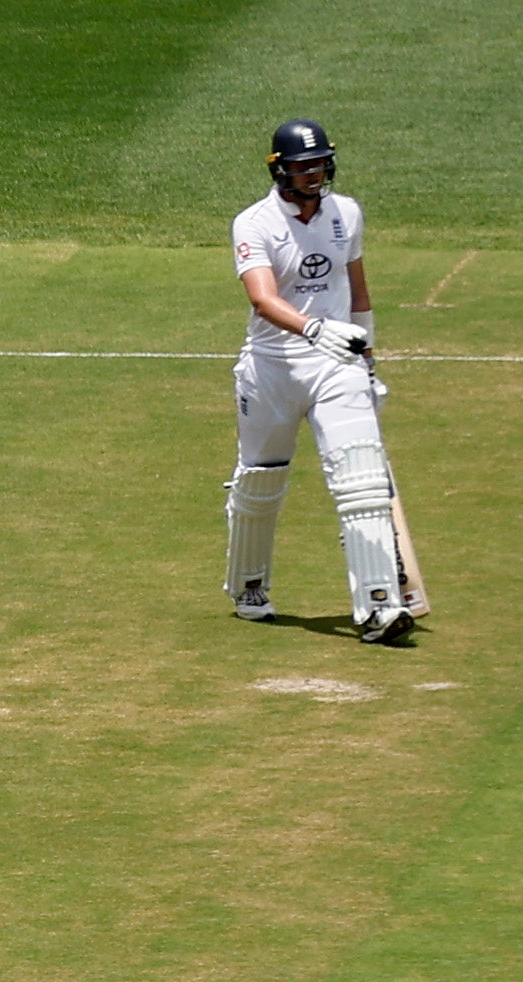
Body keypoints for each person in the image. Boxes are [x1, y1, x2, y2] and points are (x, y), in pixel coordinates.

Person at [220, 118, 413, 645]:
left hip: (337, 365)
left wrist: (367, 356)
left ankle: (379, 605)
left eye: (321, 163)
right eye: (303, 166)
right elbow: (261, 296)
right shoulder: (254, 223)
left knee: (361, 480)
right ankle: (248, 585)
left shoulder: (345, 212)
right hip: (272, 367)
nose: (314, 173)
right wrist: (313, 327)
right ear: (280, 169)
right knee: (261, 481)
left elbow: (357, 287)